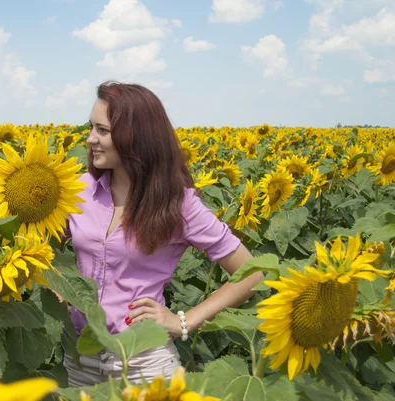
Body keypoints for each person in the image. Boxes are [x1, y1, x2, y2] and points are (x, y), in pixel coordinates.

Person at [61, 81, 263, 387]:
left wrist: (184, 321)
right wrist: (54, 285)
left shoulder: (177, 204)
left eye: (102, 130)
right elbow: (38, 243)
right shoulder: (78, 191)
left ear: (134, 136)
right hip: (79, 359)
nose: (90, 139)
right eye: (91, 128)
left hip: (144, 362)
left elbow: (252, 274)